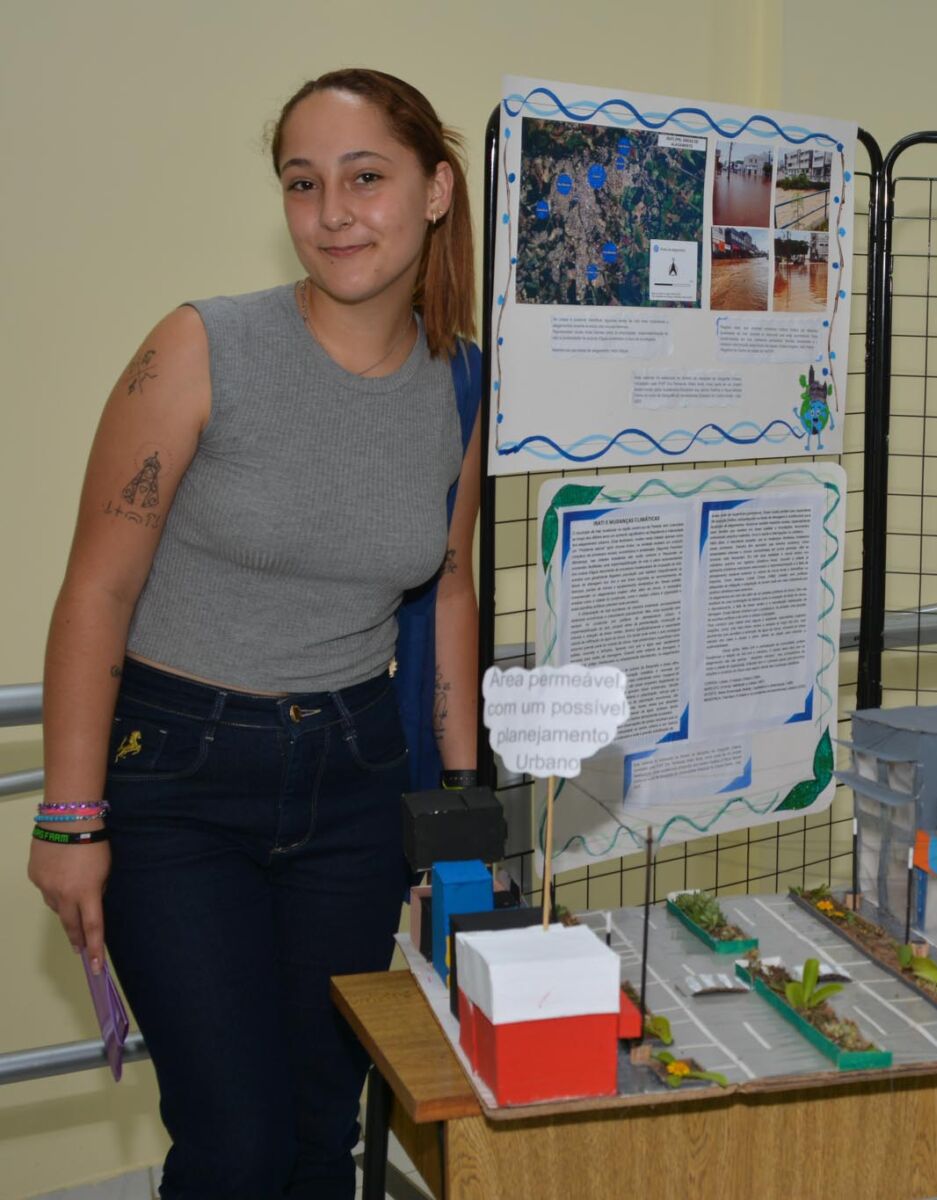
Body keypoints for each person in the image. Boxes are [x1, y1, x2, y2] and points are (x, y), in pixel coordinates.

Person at [27, 69, 482, 1198]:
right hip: (180, 781)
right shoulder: (202, 346)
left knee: (322, 1135)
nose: (332, 213)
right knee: (234, 1147)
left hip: (354, 782)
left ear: (435, 190)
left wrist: (462, 799)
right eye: (302, 182)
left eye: (365, 178)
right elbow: (96, 591)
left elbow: (449, 585)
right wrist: (69, 818)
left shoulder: (463, 381)